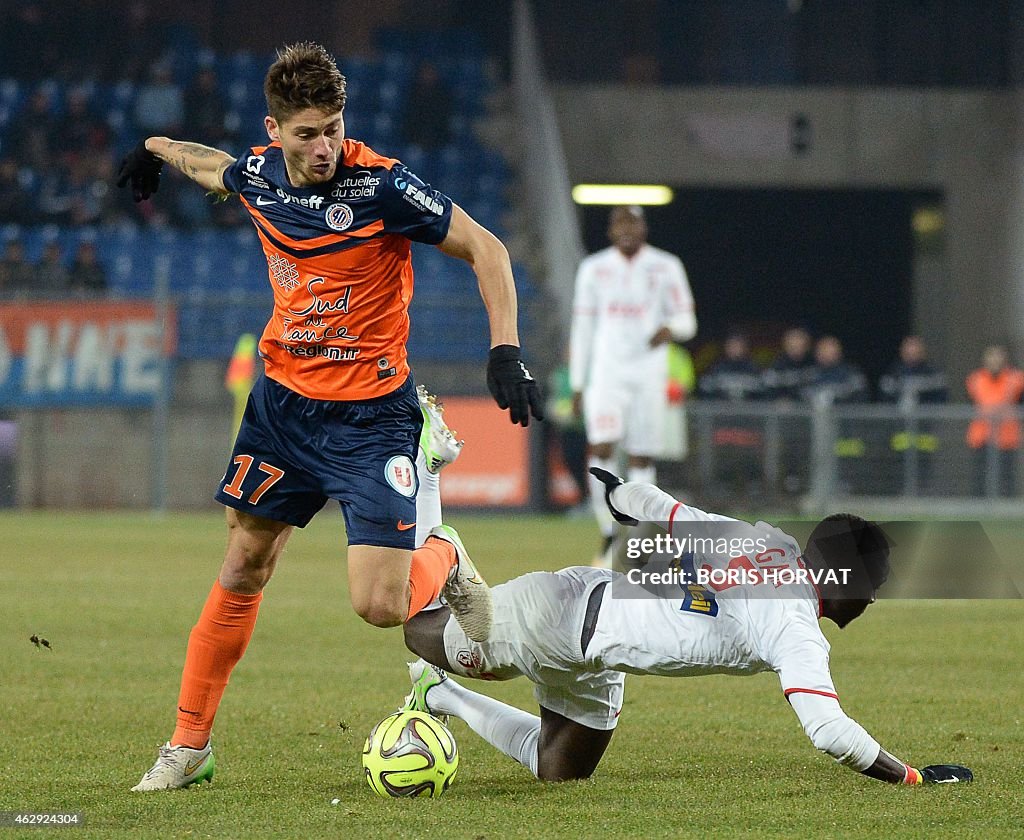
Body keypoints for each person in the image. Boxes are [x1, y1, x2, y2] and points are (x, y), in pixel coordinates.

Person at [117, 42, 543, 791]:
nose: (325, 147)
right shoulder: (257, 175)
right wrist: (155, 148)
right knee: (244, 563)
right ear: (275, 130)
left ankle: (443, 556)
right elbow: (211, 164)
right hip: (282, 408)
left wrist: (506, 349)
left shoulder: (382, 187)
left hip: (371, 417)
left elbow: (488, 249)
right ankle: (188, 746)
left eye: (335, 127)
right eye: (308, 132)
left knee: (379, 606)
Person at [400, 468, 973, 787]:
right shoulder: (793, 620)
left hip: (597, 646)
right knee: (415, 627)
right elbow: (827, 731)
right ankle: (437, 518)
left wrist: (621, 493)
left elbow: (664, 509)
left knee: (559, 772)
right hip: (550, 621)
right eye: (872, 584)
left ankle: (440, 695)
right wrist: (910, 777)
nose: (872, 599)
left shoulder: (762, 542)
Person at [569, 205, 696, 559]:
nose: (626, 229)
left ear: (644, 228)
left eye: (633, 222)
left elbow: (688, 318)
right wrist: (579, 382)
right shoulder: (594, 268)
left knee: (642, 456)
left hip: (647, 374)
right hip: (607, 374)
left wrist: (672, 328)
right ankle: (609, 530)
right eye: (619, 223)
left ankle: (639, 533)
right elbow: (583, 328)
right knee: (602, 447)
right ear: (610, 231)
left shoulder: (666, 266)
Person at [697, 331, 766, 500]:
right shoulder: (717, 369)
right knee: (723, 456)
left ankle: (752, 487)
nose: (735, 349)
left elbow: (764, 397)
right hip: (723, 425)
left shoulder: (754, 370)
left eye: (738, 345)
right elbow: (704, 394)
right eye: (732, 345)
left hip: (748, 426)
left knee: (750, 456)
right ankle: (722, 486)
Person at [877, 336, 948, 494]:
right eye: (909, 348)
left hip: (924, 428)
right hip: (900, 428)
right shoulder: (894, 373)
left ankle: (922, 490)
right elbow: (885, 397)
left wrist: (926, 412)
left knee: (923, 460)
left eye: (915, 349)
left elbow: (941, 397)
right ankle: (901, 491)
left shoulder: (932, 373)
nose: (912, 352)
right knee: (900, 459)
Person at [762, 326, 816, 495]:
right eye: (792, 342)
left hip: (810, 424)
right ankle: (778, 489)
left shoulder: (813, 365)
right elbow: (767, 391)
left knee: (809, 455)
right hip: (783, 425)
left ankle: (809, 486)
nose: (796, 345)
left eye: (800, 342)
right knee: (784, 455)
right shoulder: (778, 365)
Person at [965, 344, 1024, 497]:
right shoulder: (975, 380)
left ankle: (1006, 508)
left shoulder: (1016, 379)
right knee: (980, 475)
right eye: (991, 357)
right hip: (981, 436)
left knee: (1006, 476)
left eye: (998, 357)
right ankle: (978, 506)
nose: (994, 361)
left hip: (1007, 436)